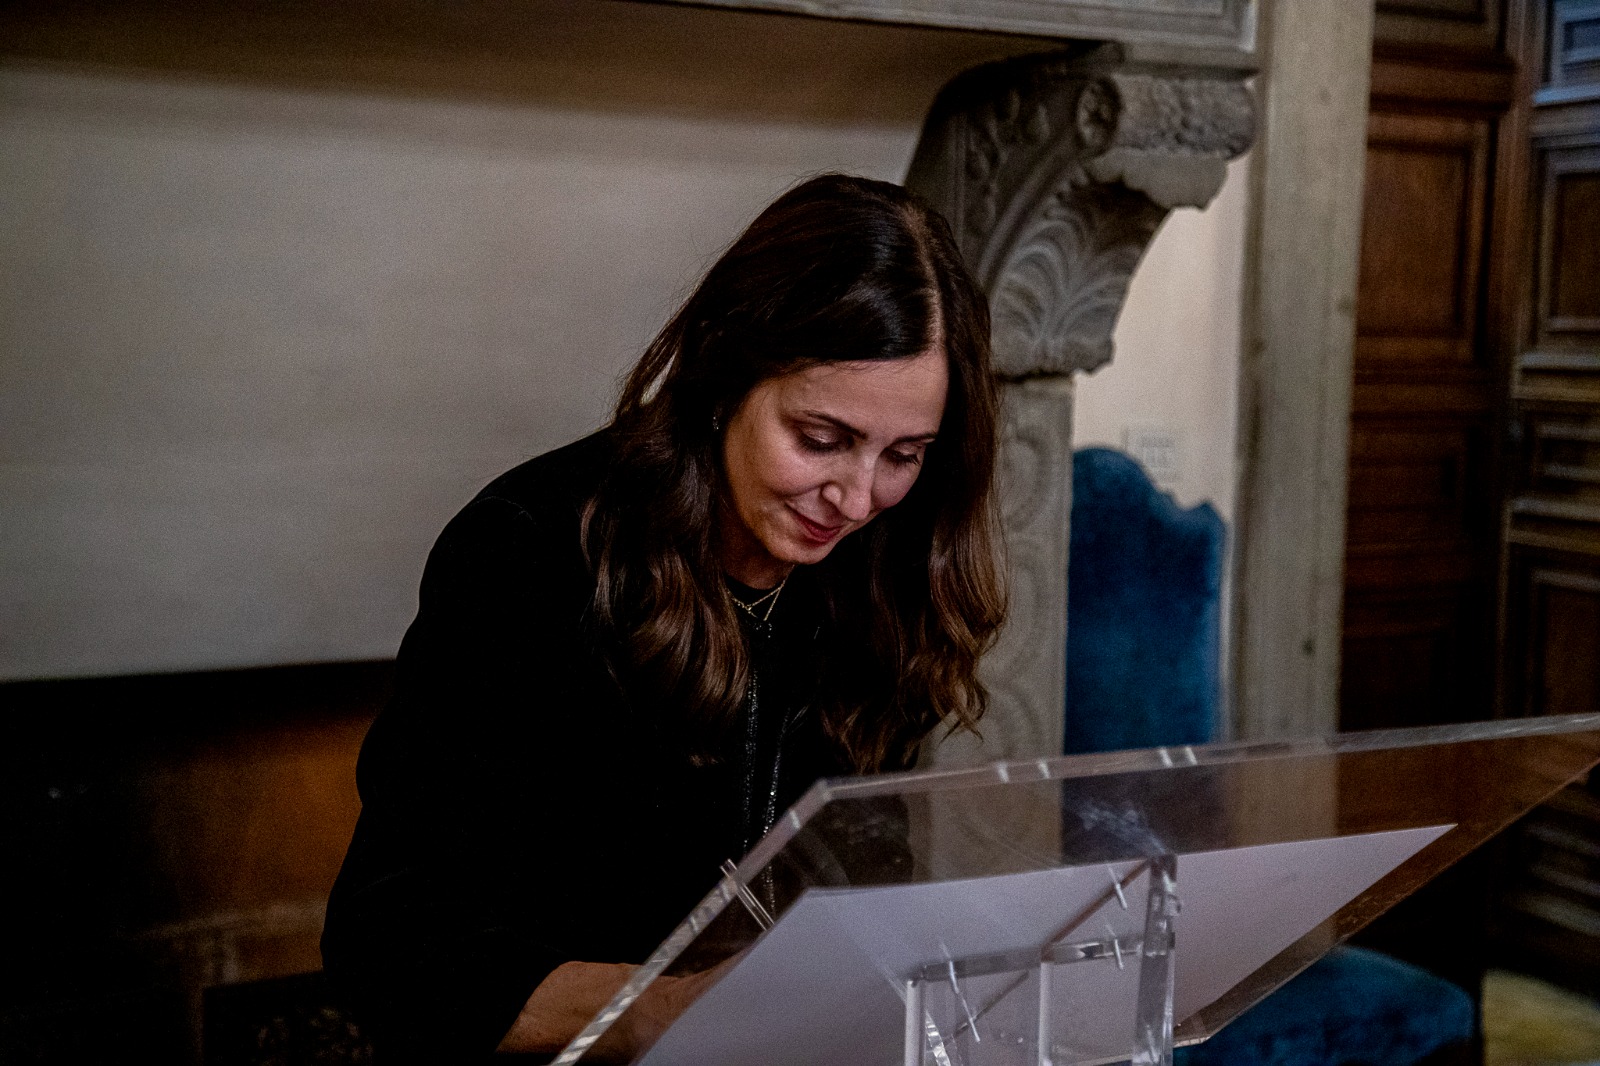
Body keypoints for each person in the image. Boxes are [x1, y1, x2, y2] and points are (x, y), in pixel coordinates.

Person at [321, 173, 1006, 1064]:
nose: (856, 497)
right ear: (725, 374)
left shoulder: (877, 574)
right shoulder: (529, 552)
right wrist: (660, 1010)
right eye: (821, 439)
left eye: (904, 455)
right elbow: (389, 941)